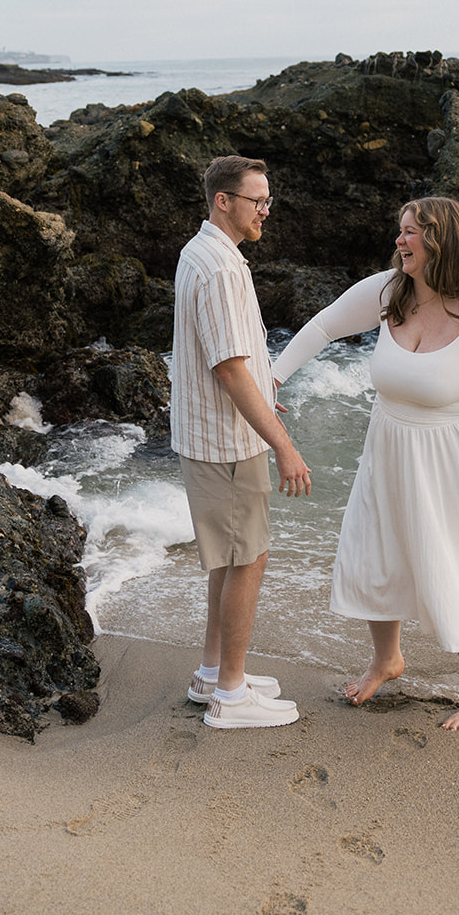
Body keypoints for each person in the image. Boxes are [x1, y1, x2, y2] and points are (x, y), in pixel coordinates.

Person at [273, 195, 459, 731]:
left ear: (440, 239)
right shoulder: (390, 292)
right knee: (378, 553)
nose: (400, 241)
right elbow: (322, 327)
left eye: (410, 233)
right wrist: (273, 377)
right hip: (391, 445)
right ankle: (387, 660)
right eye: (400, 231)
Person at [171, 154, 313, 731]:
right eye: (257, 201)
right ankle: (231, 694)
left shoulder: (199, 252)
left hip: (207, 431)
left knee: (229, 559)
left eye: (268, 200)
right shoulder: (222, 268)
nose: (265, 211)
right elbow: (229, 370)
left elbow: (227, 358)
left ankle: (214, 671)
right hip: (226, 442)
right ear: (223, 201)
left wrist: (261, 386)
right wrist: (283, 444)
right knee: (248, 558)